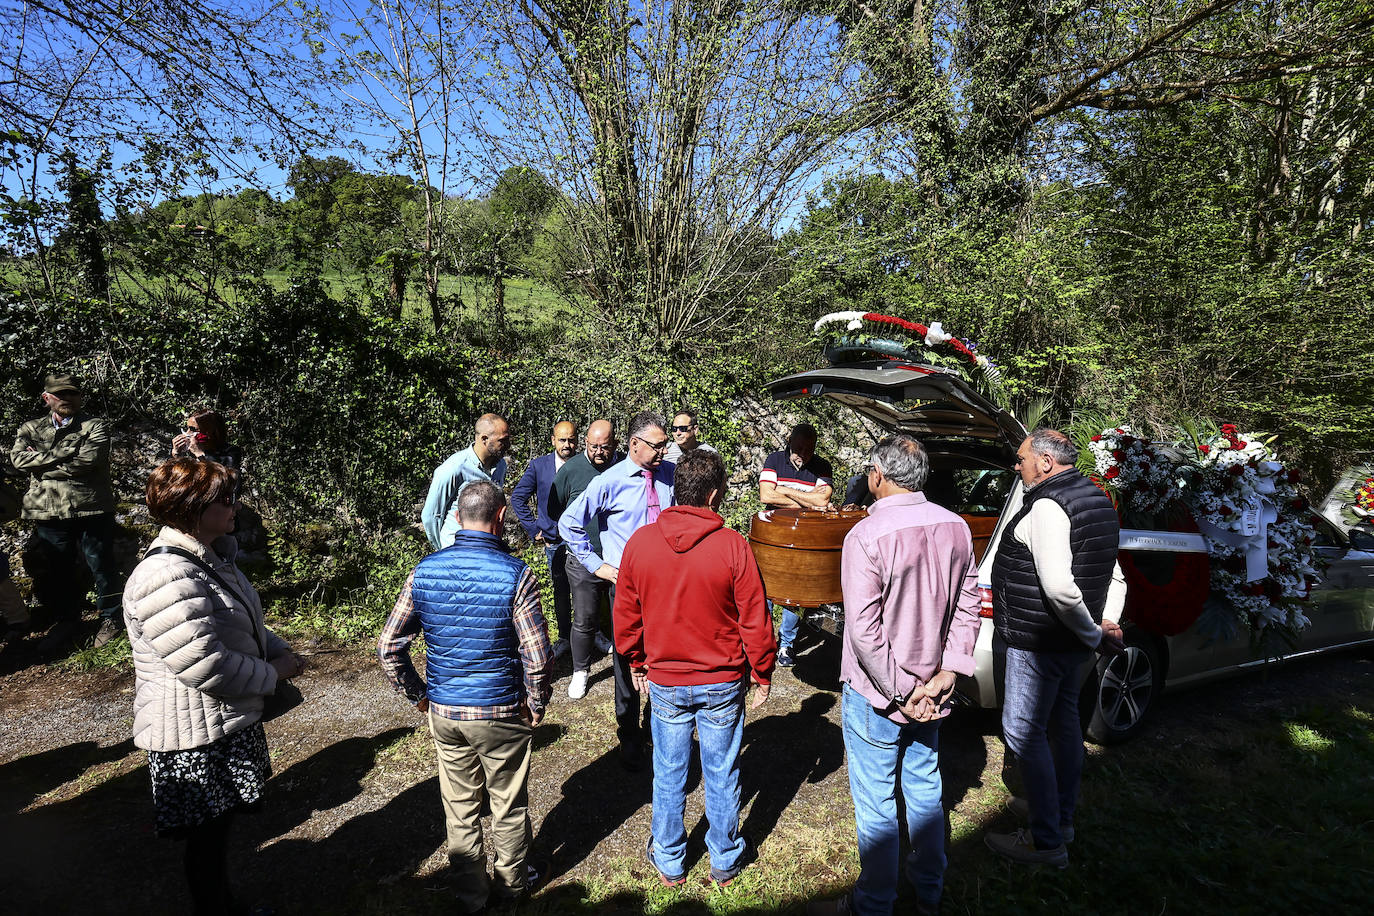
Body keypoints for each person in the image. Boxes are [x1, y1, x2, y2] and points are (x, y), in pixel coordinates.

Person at [123, 458, 306, 916]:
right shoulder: (165, 576)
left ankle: (222, 903)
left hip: (214, 724)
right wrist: (276, 673)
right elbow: (206, 665)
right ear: (192, 508)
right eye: (224, 499)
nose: (234, 506)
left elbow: (241, 622)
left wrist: (279, 649)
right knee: (206, 842)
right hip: (193, 735)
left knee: (218, 834)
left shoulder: (207, 557)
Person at [811, 436, 980, 916]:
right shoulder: (957, 527)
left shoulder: (865, 535)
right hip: (933, 688)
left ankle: (874, 904)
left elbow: (862, 631)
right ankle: (929, 891)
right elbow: (969, 605)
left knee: (877, 803)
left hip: (881, 694)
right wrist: (949, 670)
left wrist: (905, 691)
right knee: (926, 785)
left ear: (877, 476)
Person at [378, 481, 553, 914]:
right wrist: (536, 702)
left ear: (457, 517)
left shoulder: (424, 571)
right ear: (500, 518)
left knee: (459, 812)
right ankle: (511, 891)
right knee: (508, 807)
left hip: (446, 710)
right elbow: (537, 654)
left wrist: (418, 694)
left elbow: (388, 647)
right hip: (500, 709)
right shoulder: (517, 574)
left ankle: (470, 897)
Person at [615, 449, 776, 887]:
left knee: (669, 769)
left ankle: (669, 857)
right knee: (722, 769)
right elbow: (755, 619)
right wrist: (762, 671)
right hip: (722, 678)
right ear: (715, 493)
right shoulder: (732, 546)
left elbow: (626, 615)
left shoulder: (641, 543)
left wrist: (635, 660)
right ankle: (723, 856)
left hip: (666, 676)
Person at [984, 429, 1125, 868]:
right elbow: (1115, 574)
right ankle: (1059, 818)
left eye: (1023, 458)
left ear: (1045, 463)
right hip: (1070, 648)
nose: (1017, 465)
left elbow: (1061, 590)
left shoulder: (1048, 506)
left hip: (1039, 642)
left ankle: (1044, 842)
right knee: (1063, 728)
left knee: (1024, 733)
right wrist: (1107, 623)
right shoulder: (1095, 499)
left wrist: (1090, 633)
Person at [560, 411, 675, 770]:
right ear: (634, 445)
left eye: (665, 445)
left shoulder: (671, 475)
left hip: (667, 586)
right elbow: (569, 523)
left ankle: (656, 726)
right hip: (627, 588)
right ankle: (629, 732)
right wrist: (598, 565)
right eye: (656, 446)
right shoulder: (609, 481)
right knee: (626, 659)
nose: (662, 452)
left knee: (663, 658)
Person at [10, 373, 125, 650]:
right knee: (57, 569)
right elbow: (17, 460)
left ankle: (112, 618)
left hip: (90, 507)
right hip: (47, 510)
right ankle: (68, 620)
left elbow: (88, 462)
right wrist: (64, 452)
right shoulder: (31, 428)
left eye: (72, 393)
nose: (67, 399)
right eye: (60, 394)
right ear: (47, 398)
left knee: (102, 566)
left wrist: (40, 464)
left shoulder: (95, 426)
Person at [548, 419, 621, 698]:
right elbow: (556, 509)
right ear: (585, 443)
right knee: (584, 617)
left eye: (604, 447)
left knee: (623, 616)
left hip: (617, 557)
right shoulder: (572, 469)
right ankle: (581, 671)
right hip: (583, 558)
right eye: (593, 446)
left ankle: (626, 667)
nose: (599, 452)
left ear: (615, 444)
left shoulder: (625, 466)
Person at [759, 422, 835, 667]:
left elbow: (823, 499)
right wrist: (807, 501)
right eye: (799, 447)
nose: (803, 454)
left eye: (809, 449)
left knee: (795, 596)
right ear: (789, 441)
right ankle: (762, 644)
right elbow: (766, 496)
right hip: (772, 538)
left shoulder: (822, 466)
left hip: (804, 539)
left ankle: (787, 644)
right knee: (766, 593)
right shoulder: (774, 460)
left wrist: (785, 490)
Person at [511, 421, 579, 659]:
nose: (567, 445)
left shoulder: (585, 465)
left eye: (571, 440)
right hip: (555, 540)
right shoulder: (539, 466)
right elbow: (518, 498)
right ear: (553, 440)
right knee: (561, 589)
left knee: (588, 588)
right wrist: (535, 528)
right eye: (562, 440)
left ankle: (590, 634)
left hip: (582, 538)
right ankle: (564, 636)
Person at [422, 413, 512, 550]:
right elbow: (431, 515)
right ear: (484, 439)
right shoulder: (454, 468)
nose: (508, 445)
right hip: (455, 550)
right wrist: (441, 550)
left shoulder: (500, 466)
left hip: (487, 549)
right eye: (502, 441)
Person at [171, 409, 244, 473]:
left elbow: (220, 477)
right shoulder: (191, 452)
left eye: (193, 429)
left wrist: (199, 454)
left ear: (209, 432)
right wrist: (177, 455)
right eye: (187, 428)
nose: (187, 433)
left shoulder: (231, 452)